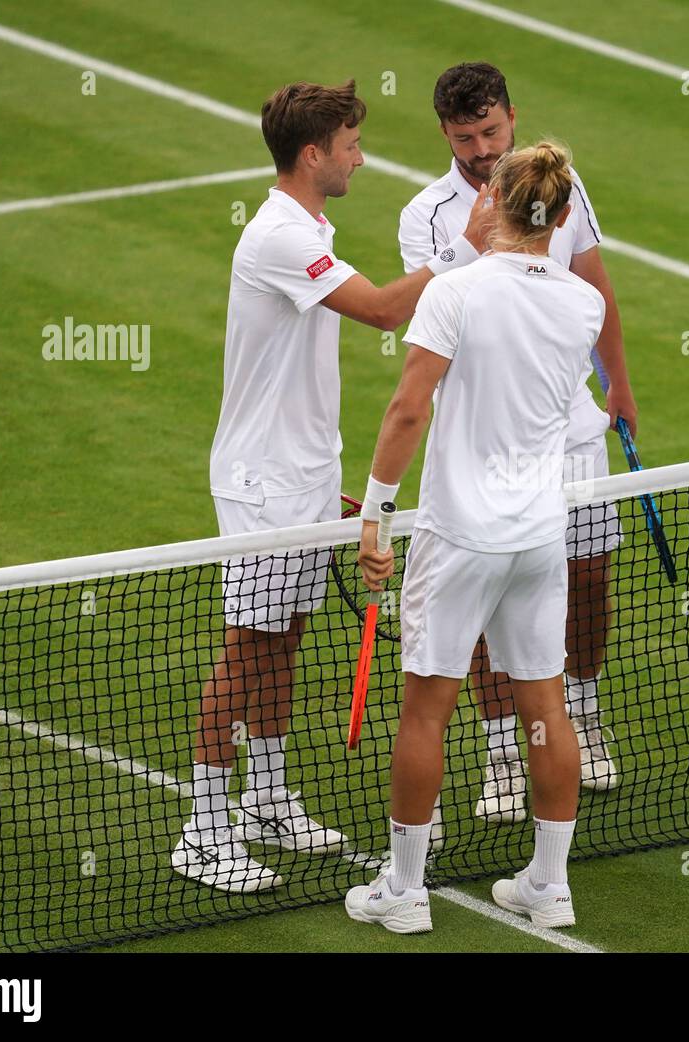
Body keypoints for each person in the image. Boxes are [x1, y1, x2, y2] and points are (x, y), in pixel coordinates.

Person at [172, 80, 491, 893]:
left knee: (282, 641)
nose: (360, 155)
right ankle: (204, 832)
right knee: (246, 650)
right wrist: (467, 247)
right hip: (262, 480)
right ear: (313, 153)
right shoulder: (279, 235)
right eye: (350, 144)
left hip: (306, 473)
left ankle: (269, 800)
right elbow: (386, 312)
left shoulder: (309, 224)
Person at [347, 141, 604, 933]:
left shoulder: (454, 294)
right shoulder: (580, 305)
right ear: (560, 216)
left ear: (489, 202)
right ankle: (549, 886)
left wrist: (377, 516)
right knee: (546, 707)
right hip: (537, 537)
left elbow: (407, 408)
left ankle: (406, 891)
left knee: (426, 711)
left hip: (460, 536)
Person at [398, 62, 636, 826]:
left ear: (511, 116)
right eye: (464, 137)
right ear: (444, 132)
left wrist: (618, 389)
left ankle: (584, 715)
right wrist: (469, 243)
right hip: (482, 446)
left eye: (490, 132)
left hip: (571, 436)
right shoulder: (428, 217)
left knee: (589, 580)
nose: (478, 148)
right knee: (487, 601)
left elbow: (597, 294)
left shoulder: (556, 183)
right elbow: (439, 320)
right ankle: (504, 750)